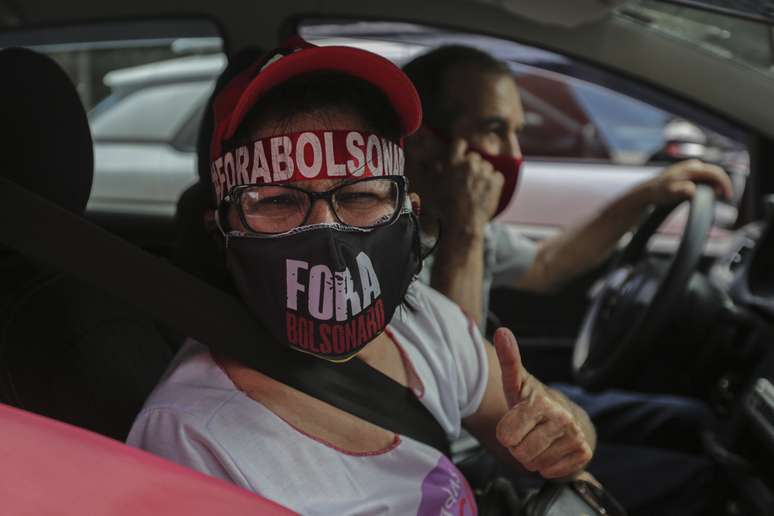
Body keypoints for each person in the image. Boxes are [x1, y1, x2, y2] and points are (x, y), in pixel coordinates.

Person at [127, 40, 597, 516]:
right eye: (276, 201)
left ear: (408, 210)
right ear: (222, 227)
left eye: (359, 196)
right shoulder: (191, 435)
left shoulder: (425, 324)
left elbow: (558, 428)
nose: (326, 234)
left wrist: (563, 433)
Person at [402, 45, 730, 515]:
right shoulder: (395, 241)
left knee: (696, 422)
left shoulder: (455, 215)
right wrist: (465, 229)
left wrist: (644, 197)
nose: (513, 154)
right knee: (704, 480)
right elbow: (458, 378)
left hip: (512, 408)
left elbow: (547, 265)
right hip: (473, 452)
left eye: (517, 132)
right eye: (494, 131)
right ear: (422, 141)